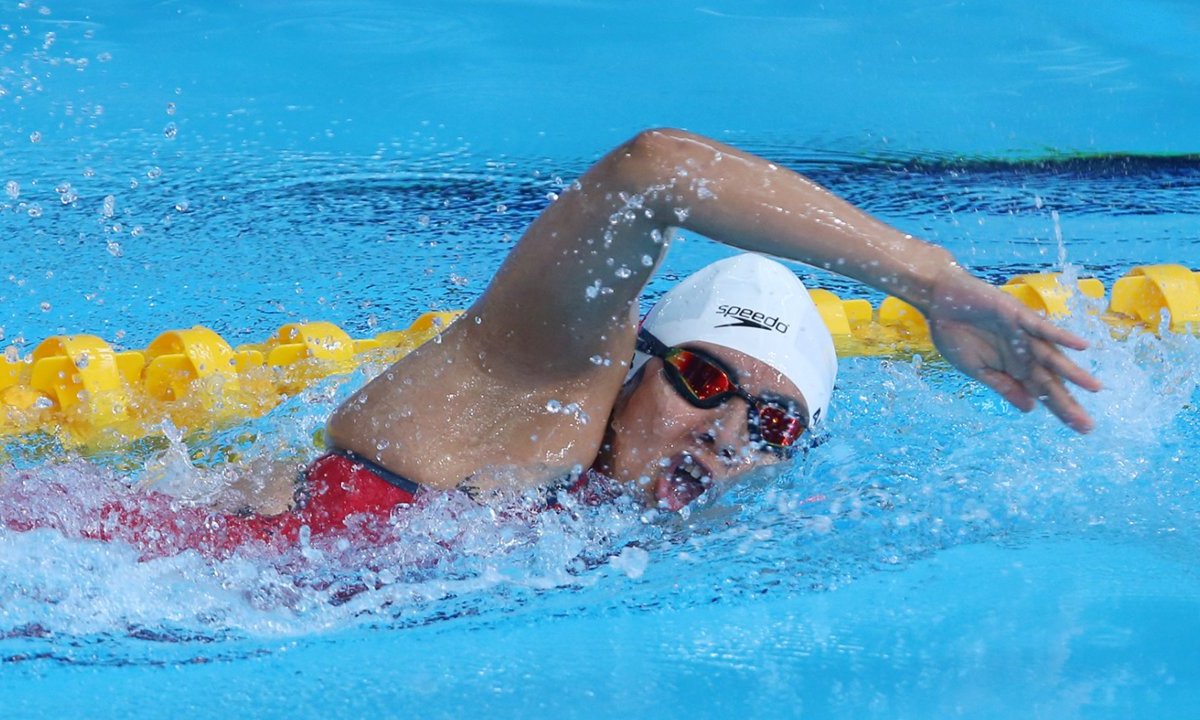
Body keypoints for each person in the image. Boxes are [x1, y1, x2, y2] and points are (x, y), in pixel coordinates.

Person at [21, 129, 1103, 557]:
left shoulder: (665, 527)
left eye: (768, 422)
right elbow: (652, 170)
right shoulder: (538, 397)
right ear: (634, 356)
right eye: (704, 379)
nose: (724, 432)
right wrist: (932, 281)